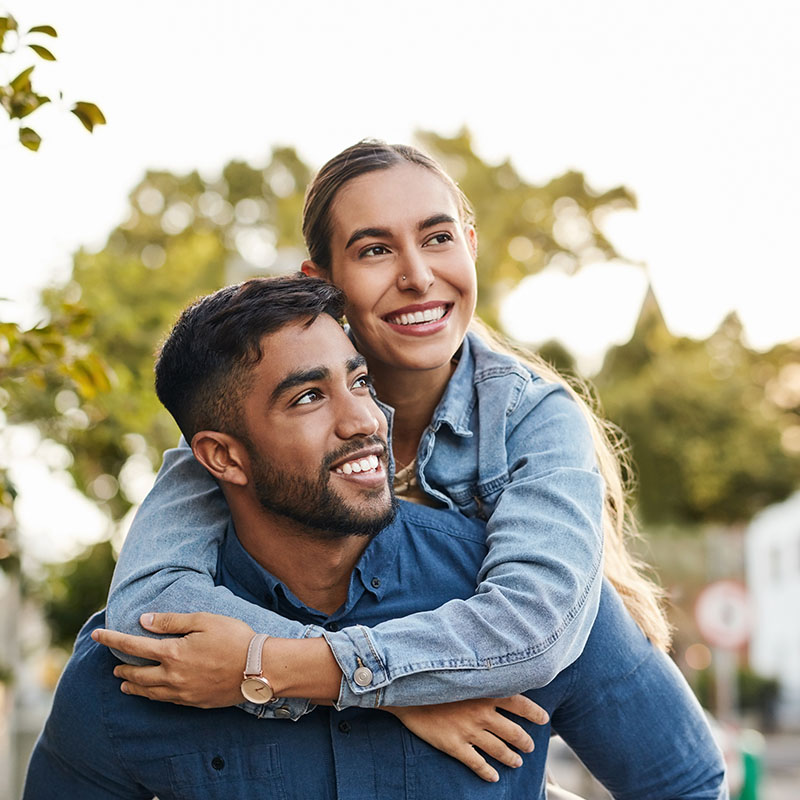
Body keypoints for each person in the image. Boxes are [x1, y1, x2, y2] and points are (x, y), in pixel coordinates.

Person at [25, 277, 725, 799]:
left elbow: (687, 786)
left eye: (359, 381)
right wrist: (401, 695)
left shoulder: (522, 597)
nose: (363, 419)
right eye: (307, 396)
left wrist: (296, 670)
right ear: (223, 458)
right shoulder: (137, 668)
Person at [105, 141, 669, 724]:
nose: (418, 276)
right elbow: (145, 611)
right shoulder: (256, 413)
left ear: (471, 246)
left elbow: (532, 628)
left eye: (438, 238)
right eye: (375, 249)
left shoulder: (532, 418)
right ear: (322, 280)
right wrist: (398, 699)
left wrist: (281, 669)